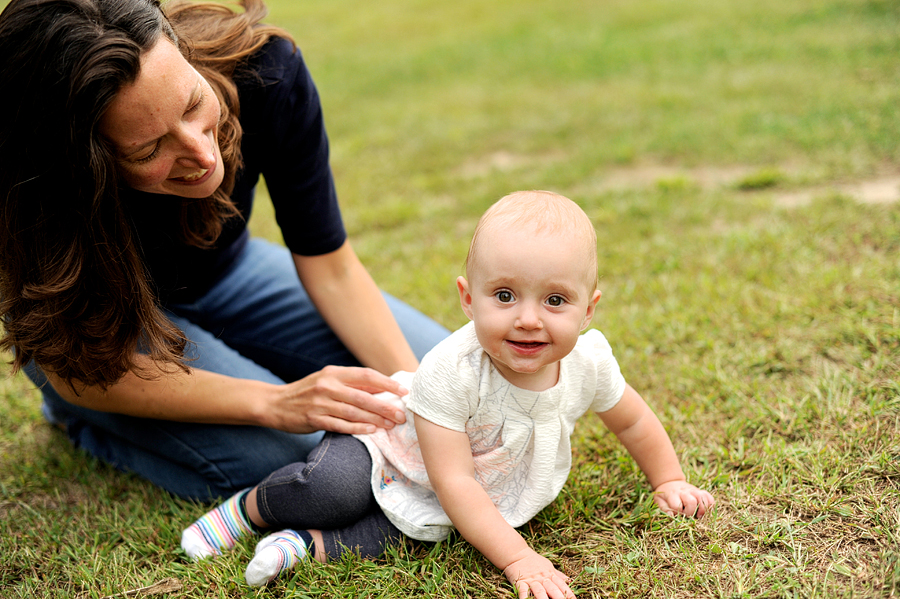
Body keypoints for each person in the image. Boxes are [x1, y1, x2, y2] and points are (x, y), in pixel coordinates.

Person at [0, 0, 449, 501]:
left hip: (229, 276)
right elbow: (77, 362)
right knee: (293, 457)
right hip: (98, 336)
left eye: (193, 104)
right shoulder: (32, 181)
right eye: (149, 150)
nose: (201, 154)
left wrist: (418, 403)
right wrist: (276, 402)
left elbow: (332, 270)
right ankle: (81, 420)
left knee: (443, 379)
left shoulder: (266, 71)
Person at [181, 191, 716, 598]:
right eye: (504, 295)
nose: (528, 319)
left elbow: (634, 422)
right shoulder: (451, 371)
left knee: (415, 533)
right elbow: (452, 479)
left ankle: (302, 547)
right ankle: (249, 511)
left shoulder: (589, 360)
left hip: (461, 489)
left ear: (589, 310)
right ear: (468, 298)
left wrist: (668, 479)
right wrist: (519, 560)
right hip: (392, 447)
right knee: (334, 489)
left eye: (555, 300)